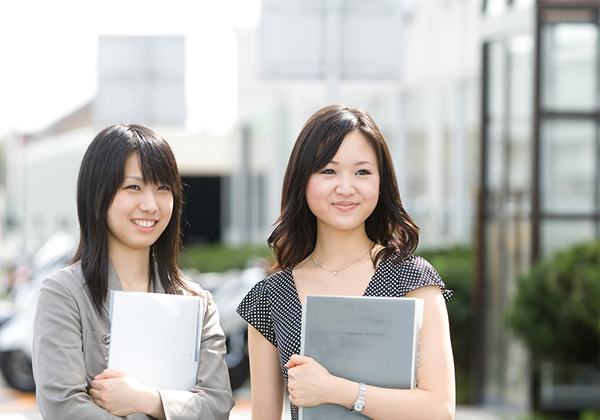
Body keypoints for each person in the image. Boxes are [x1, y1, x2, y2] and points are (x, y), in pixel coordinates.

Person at [237, 105, 455, 420]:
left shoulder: (413, 278)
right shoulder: (271, 296)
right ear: (303, 180)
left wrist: (336, 391)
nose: (346, 187)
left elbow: (440, 410)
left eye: (362, 172)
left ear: (382, 182)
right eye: (329, 171)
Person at [33, 124, 234, 420]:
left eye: (163, 188)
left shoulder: (196, 302)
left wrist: (147, 400)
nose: (151, 205)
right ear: (98, 195)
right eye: (134, 187)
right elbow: (63, 406)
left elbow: (217, 405)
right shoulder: (64, 294)